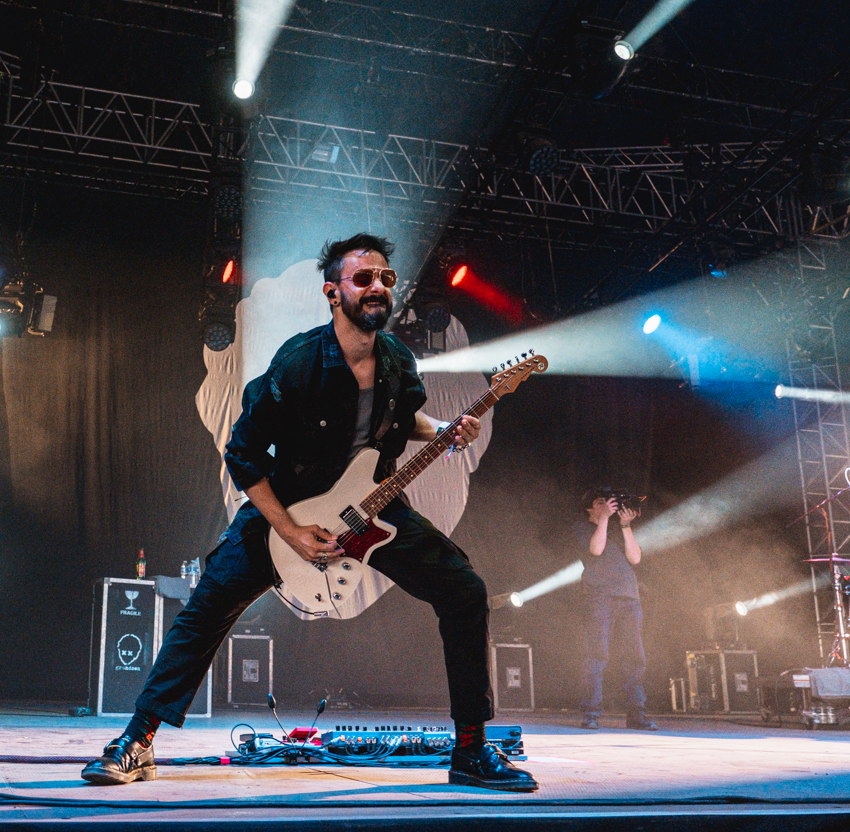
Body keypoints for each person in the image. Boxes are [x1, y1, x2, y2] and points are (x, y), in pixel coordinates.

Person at [80, 233, 536, 792]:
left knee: (464, 590)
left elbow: (405, 419)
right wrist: (290, 530)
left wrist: (445, 429)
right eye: (363, 278)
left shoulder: (398, 359)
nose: (377, 287)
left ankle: (470, 750)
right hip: (290, 504)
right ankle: (137, 740)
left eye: (386, 278)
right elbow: (243, 452)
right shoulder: (299, 361)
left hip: (371, 505)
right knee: (207, 609)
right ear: (332, 292)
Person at [576, 490, 656, 730]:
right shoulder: (583, 528)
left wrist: (625, 525)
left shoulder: (617, 530)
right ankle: (591, 713)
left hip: (629, 598)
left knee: (634, 657)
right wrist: (604, 519)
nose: (608, 505)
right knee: (597, 655)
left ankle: (637, 714)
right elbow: (595, 550)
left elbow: (635, 558)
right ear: (590, 508)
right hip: (600, 597)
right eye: (601, 502)